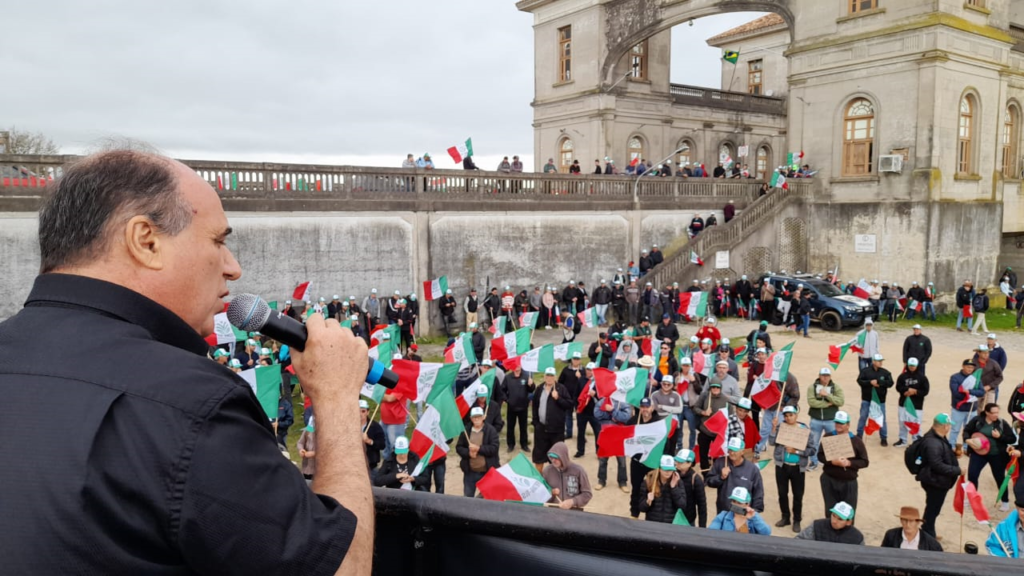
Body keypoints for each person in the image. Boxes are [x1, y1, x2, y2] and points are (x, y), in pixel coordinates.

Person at [0, 149, 374, 573]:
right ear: (146, 241)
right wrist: (337, 397)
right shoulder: (191, 402)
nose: (233, 268)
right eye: (218, 240)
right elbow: (344, 568)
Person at [912, 413, 963, 538]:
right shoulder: (933, 442)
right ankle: (927, 534)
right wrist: (958, 470)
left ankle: (927, 530)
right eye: (949, 425)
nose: (949, 428)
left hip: (936, 480)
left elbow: (939, 457)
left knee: (933, 508)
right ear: (945, 426)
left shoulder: (938, 438)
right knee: (933, 509)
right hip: (935, 481)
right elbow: (937, 465)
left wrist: (952, 456)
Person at [964, 403, 1018, 510]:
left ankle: (1005, 501)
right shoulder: (977, 420)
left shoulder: (1002, 423)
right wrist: (967, 439)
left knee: (999, 478)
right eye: (993, 413)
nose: (996, 415)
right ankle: (971, 498)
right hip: (979, 453)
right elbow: (967, 430)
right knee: (972, 475)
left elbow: (1012, 439)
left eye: (997, 412)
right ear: (987, 413)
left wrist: (1000, 436)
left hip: (996, 455)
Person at [818, 411, 869, 515]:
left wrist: (849, 463)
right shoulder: (827, 437)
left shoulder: (856, 441)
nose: (838, 425)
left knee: (848, 513)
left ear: (848, 425)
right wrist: (832, 462)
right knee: (830, 510)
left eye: (841, 423)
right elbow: (820, 455)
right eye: (837, 422)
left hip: (848, 482)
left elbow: (865, 461)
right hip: (829, 479)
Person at [772, 405, 813, 533]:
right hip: (782, 466)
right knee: (782, 493)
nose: (788, 418)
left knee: (798, 495)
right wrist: (773, 429)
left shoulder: (804, 430)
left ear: (796, 415)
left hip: (797, 468)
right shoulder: (780, 428)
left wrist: (796, 451)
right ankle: (785, 517)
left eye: (791, 415)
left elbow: (812, 449)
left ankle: (797, 520)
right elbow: (771, 442)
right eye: (786, 415)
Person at [706, 437, 766, 514]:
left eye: (735, 450)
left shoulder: (752, 469)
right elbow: (709, 481)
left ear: (742, 452)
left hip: (743, 513)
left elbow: (758, 492)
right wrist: (720, 477)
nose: (731, 453)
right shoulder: (720, 463)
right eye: (730, 449)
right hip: (724, 511)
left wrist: (754, 511)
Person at [532, 367, 572, 473]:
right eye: (547, 375)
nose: (549, 378)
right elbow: (535, 406)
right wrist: (535, 422)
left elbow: (569, 404)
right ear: (544, 376)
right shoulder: (539, 388)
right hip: (541, 429)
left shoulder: (561, 389)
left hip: (556, 430)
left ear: (555, 377)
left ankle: (555, 478)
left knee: (556, 456)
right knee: (539, 456)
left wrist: (558, 398)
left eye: (551, 376)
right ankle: (539, 479)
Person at [629, 398, 664, 518]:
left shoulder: (659, 423)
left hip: (651, 462)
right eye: (642, 406)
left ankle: (651, 514)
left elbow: (665, 443)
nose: (645, 409)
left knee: (653, 488)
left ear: (652, 408)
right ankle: (634, 513)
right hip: (636, 461)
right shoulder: (633, 421)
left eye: (647, 406)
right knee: (636, 488)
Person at [456, 406, 500, 497]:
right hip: (470, 473)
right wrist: (468, 453)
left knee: (487, 497)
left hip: (487, 472)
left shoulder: (491, 430)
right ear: (471, 418)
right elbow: (459, 447)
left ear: (483, 417)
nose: (477, 419)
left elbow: (494, 448)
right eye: (474, 417)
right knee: (468, 497)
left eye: (479, 416)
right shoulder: (466, 431)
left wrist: (479, 449)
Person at [594, 389, 633, 492]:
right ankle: (601, 481)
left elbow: (626, 417)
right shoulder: (602, 401)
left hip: (619, 435)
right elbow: (597, 414)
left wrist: (612, 411)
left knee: (622, 461)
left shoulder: (623, 402)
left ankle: (622, 482)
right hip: (606, 434)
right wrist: (614, 416)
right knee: (602, 460)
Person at [949, 359, 986, 453]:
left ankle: (967, 447)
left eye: (972, 367)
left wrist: (970, 392)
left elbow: (981, 392)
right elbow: (956, 392)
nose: (970, 369)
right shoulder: (955, 377)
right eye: (968, 367)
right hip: (959, 409)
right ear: (963, 366)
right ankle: (951, 446)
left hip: (972, 409)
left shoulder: (976, 379)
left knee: (970, 429)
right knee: (955, 429)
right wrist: (967, 396)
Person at [856, 353, 893, 445]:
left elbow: (891, 383)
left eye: (881, 361)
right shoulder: (865, 371)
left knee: (881, 418)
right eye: (878, 361)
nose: (880, 363)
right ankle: (859, 435)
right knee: (863, 417)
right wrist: (870, 382)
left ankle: (883, 437)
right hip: (867, 399)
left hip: (880, 401)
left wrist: (880, 382)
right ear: (873, 361)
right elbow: (859, 381)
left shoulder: (885, 372)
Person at [543, 441, 593, 510]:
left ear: (563, 456)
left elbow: (587, 494)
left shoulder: (578, 471)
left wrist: (573, 502)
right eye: (551, 457)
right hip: (554, 511)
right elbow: (542, 494)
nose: (553, 460)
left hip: (574, 512)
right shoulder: (547, 471)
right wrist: (551, 493)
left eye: (556, 457)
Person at [639, 455, 688, 523]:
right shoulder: (648, 482)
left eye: (670, 470)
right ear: (659, 468)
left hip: (671, 524)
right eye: (665, 469)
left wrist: (674, 488)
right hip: (652, 524)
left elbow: (682, 506)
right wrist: (647, 501)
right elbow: (641, 508)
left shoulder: (678, 482)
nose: (668, 472)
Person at [895, 357, 930, 447]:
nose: (912, 367)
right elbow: (898, 387)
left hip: (917, 405)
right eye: (910, 365)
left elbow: (925, 391)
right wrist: (906, 390)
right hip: (904, 403)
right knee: (902, 421)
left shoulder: (922, 377)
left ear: (917, 366)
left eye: (913, 366)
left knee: (916, 422)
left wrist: (915, 392)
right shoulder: (902, 376)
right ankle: (903, 439)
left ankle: (916, 440)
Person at [795, 502, 865, 545]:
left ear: (848, 522)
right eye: (833, 515)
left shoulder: (857, 538)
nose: (834, 521)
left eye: (840, 519)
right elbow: (797, 543)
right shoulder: (817, 526)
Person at [502, 364, 533, 453]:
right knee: (510, 427)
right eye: (515, 366)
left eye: (518, 365)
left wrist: (531, 384)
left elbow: (531, 390)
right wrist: (506, 399)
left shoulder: (526, 376)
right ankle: (511, 445)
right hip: (512, 407)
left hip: (523, 407)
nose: (516, 367)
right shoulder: (508, 377)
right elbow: (502, 389)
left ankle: (524, 444)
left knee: (523, 427)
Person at [575, 362, 602, 458]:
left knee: (598, 432)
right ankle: (580, 451)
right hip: (582, 411)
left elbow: (602, 398)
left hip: (594, 412)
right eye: (588, 369)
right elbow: (576, 395)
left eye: (591, 370)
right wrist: (576, 407)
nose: (589, 372)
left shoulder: (598, 381)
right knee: (581, 432)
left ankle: (599, 452)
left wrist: (595, 395)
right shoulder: (581, 380)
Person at [360, 400, 386, 476]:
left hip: (370, 465)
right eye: (358, 411)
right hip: (353, 464)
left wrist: (369, 441)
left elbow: (382, 445)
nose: (360, 414)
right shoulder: (349, 426)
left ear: (368, 412)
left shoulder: (375, 426)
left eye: (363, 411)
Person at [297, 417, 318, 481]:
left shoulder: (324, 434)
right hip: (306, 466)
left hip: (318, 468)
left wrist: (314, 453)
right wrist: (301, 450)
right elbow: (300, 442)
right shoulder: (307, 430)